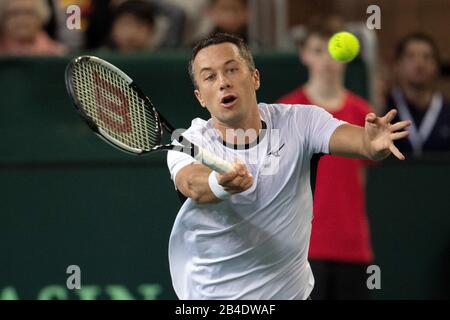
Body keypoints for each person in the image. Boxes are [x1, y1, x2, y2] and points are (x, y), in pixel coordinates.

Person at [166, 33, 411, 300]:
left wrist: (371, 143)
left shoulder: (299, 121)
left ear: (255, 77)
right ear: (200, 97)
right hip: (211, 297)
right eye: (210, 77)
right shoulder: (189, 139)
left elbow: (359, 142)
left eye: (232, 69)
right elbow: (191, 183)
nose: (223, 82)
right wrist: (219, 183)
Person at [277, 17, 374, 299]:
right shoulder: (286, 110)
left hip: (352, 248)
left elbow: (360, 176)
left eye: (333, 49)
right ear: (305, 55)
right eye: (318, 50)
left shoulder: (362, 112)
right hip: (300, 249)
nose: (327, 59)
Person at [386, 33, 450, 156]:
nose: (419, 64)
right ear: (397, 65)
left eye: (426, 57)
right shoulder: (383, 110)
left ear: (437, 66)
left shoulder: (447, 111)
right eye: (411, 56)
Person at [0, 0, 66, 56]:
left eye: (28, 13)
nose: (21, 20)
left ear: (40, 16)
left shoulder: (56, 54)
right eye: (14, 13)